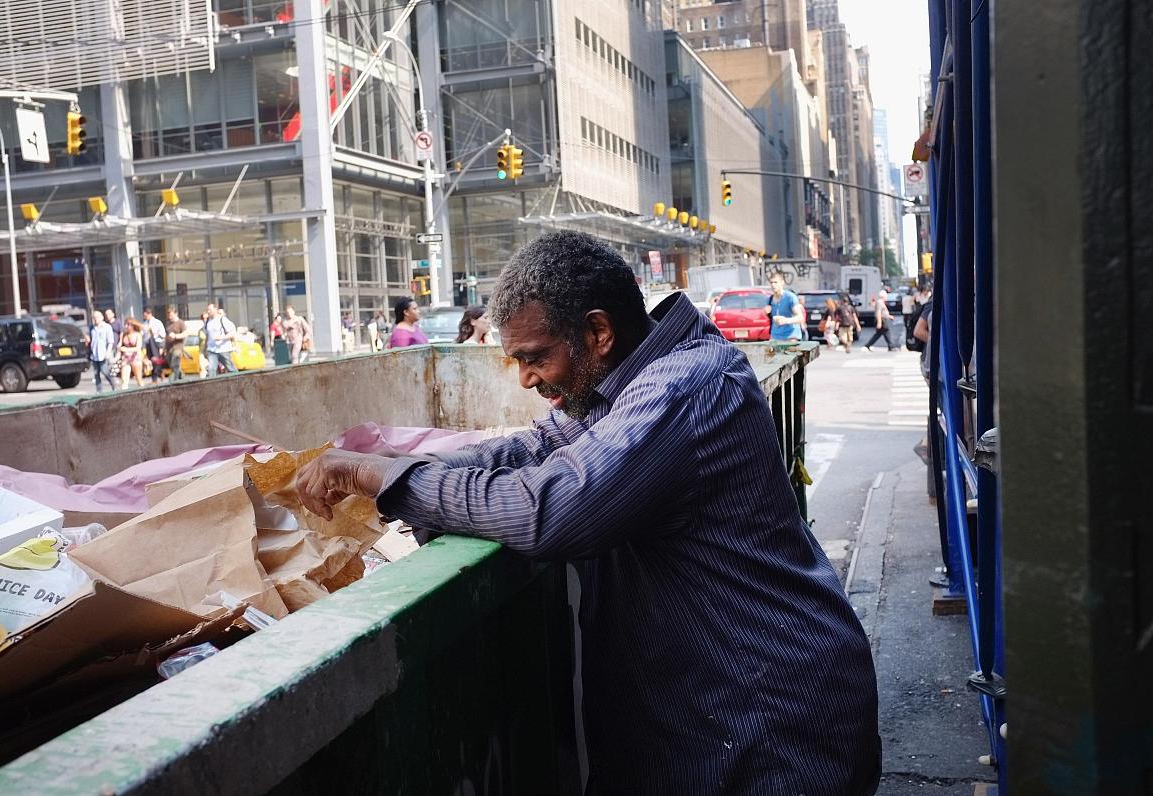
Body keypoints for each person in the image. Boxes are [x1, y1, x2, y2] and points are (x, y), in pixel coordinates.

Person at [294, 230, 880, 794]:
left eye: (534, 358)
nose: (525, 378)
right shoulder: (621, 384)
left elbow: (551, 508)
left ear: (597, 332)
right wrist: (400, 459)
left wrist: (385, 478)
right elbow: (529, 449)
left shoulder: (685, 386)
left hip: (765, 723)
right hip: (708, 720)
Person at [763, 271, 804, 341]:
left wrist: (786, 320)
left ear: (782, 283)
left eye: (775, 282)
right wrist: (766, 313)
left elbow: (800, 317)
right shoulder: (769, 299)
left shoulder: (790, 297)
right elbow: (771, 318)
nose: (773, 285)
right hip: (775, 336)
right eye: (771, 282)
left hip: (790, 336)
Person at [203, 303, 237, 377]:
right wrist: (205, 348)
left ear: (215, 309)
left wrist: (221, 337)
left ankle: (238, 380)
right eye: (207, 310)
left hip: (223, 349)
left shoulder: (222, 320)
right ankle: (212, 385)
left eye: (210, 310)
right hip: (212, 350)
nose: (208, 311)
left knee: (231, 368)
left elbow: (232, 333)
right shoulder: (208, 321)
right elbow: (207, 336)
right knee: (211, 369)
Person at [87, 311, 117, 392]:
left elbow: (111, 341)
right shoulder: (92, 328)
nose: (95, 319)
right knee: (96, 374)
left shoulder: (107, 327)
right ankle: (99, 391)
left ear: (102, 317)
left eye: (97, 317)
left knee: (105, 371)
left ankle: (114, 386)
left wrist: (108, 352)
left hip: (103, 354)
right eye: (94, 317)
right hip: (94, 354)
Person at [117, 318, 145, 389]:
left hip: (135, 358)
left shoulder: (137, 335)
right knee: (124, 380)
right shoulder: (124, 334)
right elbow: (120, 345)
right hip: (126, 358)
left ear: (133, 325)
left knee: (139, 379)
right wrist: (119, 349)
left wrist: (127, 349)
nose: (126, 326)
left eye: (128, 324)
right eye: (125, 324)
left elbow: (138, 348)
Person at [142, 308, 166, 384]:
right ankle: (160, 372)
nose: (145, 317)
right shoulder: (145, 323)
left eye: (146, 315)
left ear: (149, 314)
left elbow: (163, 334)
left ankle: (155, 378)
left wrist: (155, 333)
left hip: (156, 344)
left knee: (155, 360)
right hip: (148, 344)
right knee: (151, 361)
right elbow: (143, 334)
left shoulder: (157, 322)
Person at [164, 307, 188, 381]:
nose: (169, 317)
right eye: (168, 315)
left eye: (171, 315)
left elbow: (185, 334)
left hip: (177, 347)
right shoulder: (168, 323)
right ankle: (182, 376)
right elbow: (166, 336)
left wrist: (176, 336)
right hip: (169, 348)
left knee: (175, 363)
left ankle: (174, 380)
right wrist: (164, 347)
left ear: (175, 314)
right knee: (171, 364)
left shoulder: (180, 323)